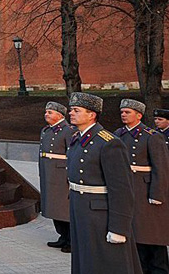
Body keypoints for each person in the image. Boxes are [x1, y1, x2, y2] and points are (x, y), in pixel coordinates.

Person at [66, 92, 141, 274]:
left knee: (104, 262)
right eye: (71, 110)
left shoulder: (109, 143)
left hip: (99, 215)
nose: (71, 113)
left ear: (91, 115)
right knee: (85, 259)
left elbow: (122, 189)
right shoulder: (78, 139)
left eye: (76, 110)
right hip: (81, 210)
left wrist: (119, 228)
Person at [115, 99, 169, 274]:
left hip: (146, 190)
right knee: (136, 232)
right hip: (127, 189)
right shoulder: (118, 134)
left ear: (139, 115)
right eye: (122, 111)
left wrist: (157, 194)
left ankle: (159, 269)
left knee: (153, 232)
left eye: (128, 112)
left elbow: (161, 168)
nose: (123, 114)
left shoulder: (152, 136)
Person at [38, 101, 73, 253]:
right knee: (53, 207)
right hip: (49, 173)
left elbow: (72, 155)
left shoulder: (68, 130)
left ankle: (71, 240)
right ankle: (62, 236)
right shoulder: (46, 130)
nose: (46, 114)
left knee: (64, 208)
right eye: (46, 112)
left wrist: (70, 177)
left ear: (59, 115)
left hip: (61, 175)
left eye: (50, 112)